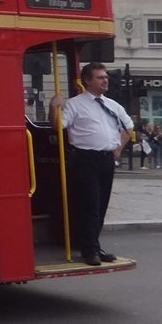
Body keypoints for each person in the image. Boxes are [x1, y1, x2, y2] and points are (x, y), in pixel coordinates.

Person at [48, 62, 133, 266]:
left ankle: (95, 245)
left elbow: (129, 126)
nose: (105, 80)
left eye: (105, 77)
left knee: (102, 205)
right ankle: (89, 249)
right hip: (85, 159)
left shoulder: (112, 105)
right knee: (90, 206)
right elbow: (58, 126)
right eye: (100, 77)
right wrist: (53, 107)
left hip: (106, 160)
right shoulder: (75, 104)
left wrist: (118, 148)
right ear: (87, 80)